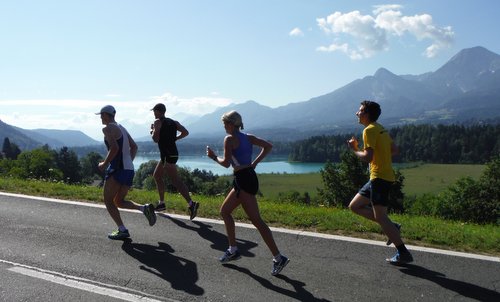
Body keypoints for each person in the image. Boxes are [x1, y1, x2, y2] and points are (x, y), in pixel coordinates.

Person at [206, 110, 289, 276]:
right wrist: (254, 163)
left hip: (243, 180)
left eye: (224, 124)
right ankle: (233, 249)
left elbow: (226, 164)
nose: (224, 127)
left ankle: (278, 257)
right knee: (225, 211)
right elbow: (268, 146)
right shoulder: (248, 137)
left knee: (257, 220)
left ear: (230, 124)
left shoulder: (229, 139)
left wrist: (213, 157)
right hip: (247, 176)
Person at [347, 100, 413, 264]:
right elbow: (394, 150)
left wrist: (354, 149)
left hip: (379, 178)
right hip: (380, 177)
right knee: (354, 206)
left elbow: (367, 157)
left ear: (367, 114)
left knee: (381, 217)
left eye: (360, 110)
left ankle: (403, 252)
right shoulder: (380, 128)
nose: (357, 113)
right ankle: (392, 227)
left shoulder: (369, 130)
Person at [96, 105, 157, 240]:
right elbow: (134, 146)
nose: (100, 118)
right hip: (129, 169)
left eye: (101, 115)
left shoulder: (107, 129)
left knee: (108, 201)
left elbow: (114, 148)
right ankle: (144, 209)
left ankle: (122, 229)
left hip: (117, 170)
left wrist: (104, 164)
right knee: (119, 201)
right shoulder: (121, 128)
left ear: (106, 115)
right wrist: (128, 161)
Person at [150, 103, 199, 220]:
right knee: (157, 176)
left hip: (167, 155)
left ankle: (192, 204)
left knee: (176, 181)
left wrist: (151, 130)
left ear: (157, 111)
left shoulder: (157, 122)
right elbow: (185, 132)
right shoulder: (173, 122)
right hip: (171, 153)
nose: (153, 113)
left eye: (154, 111)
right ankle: (161, 203)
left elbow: (155, 139)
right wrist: (175, 138)